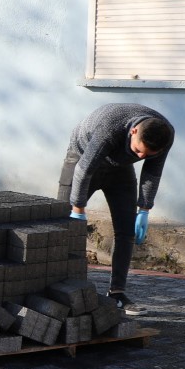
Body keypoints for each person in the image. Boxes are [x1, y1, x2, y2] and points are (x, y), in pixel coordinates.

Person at [58, 103, 174, 313]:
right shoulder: (110, 127)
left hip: (119, 168)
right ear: (134, 131)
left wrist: (144, 208)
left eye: (146, 155)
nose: (140, 157)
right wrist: (78, 208)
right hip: (81, 158)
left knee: (126, 231)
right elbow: (84, 170)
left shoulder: (165, 134)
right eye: (138, 150)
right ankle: (59, 289)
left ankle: (117, 293)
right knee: (63, 227)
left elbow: (152, 173)